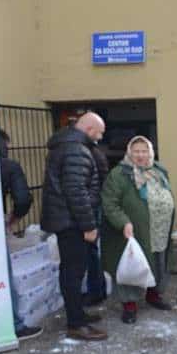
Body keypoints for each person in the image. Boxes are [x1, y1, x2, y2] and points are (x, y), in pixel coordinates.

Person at [41, 112, 108, 341]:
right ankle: (76, 324)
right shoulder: (76, 150)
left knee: (72, 270)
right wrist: (89, 225)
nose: (100, 137)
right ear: (89, 129)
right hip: (72, 222)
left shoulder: (67, 145)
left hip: (66, 219)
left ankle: (76, 313)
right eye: (99, 132)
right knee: (73, 272)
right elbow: (76, 191)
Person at [102, 136, 175, 324]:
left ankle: (153, 295)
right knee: (132, 265)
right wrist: (123, 222)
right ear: (129, 152)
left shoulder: (159, 170)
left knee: (157, 261)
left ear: (150, 153)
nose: (140, 155)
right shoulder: (119, 174)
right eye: (136, 151)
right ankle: (129, 305)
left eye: (144, 151)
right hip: (132, 229)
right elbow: (110, 204)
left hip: (159, 228)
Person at [0, 130, 42, 340]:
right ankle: (15, 325)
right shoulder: (8, 166)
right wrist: (14, 218)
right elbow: (23, 199)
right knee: (2, 274)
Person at [83, 123, 110, 307]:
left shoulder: (91, 154)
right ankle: (98, 289)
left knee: (91, 252)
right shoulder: (95, 153)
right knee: (92, 251)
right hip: (93, 206)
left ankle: (96, 291)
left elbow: (101, 182)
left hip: (92, 208)